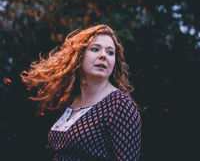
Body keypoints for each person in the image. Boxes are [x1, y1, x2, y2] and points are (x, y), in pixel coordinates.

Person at [21, 24, 142, 160]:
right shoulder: (71, 99)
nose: (103, 56)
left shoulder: (120, 105)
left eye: (110, 52)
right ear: (79, 56)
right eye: (95, 49)